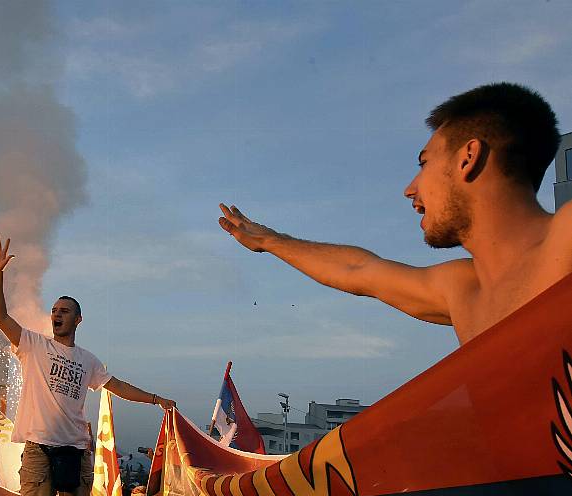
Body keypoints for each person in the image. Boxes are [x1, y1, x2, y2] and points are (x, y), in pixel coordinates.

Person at [218, 82, 568, 346]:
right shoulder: (463, 291)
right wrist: (270, 241)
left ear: (468, 157)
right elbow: (358, 270)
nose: (409, 189)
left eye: (424, 162)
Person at [0, 235, 176, 496]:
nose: (56, 314)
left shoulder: (88, 360)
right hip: (39, 449)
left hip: (75, 449)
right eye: (54, 311)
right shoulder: (34, 344)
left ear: (77, 320)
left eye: (64, 311)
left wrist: (155, 399)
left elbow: (119, 386)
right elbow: (0, 317)